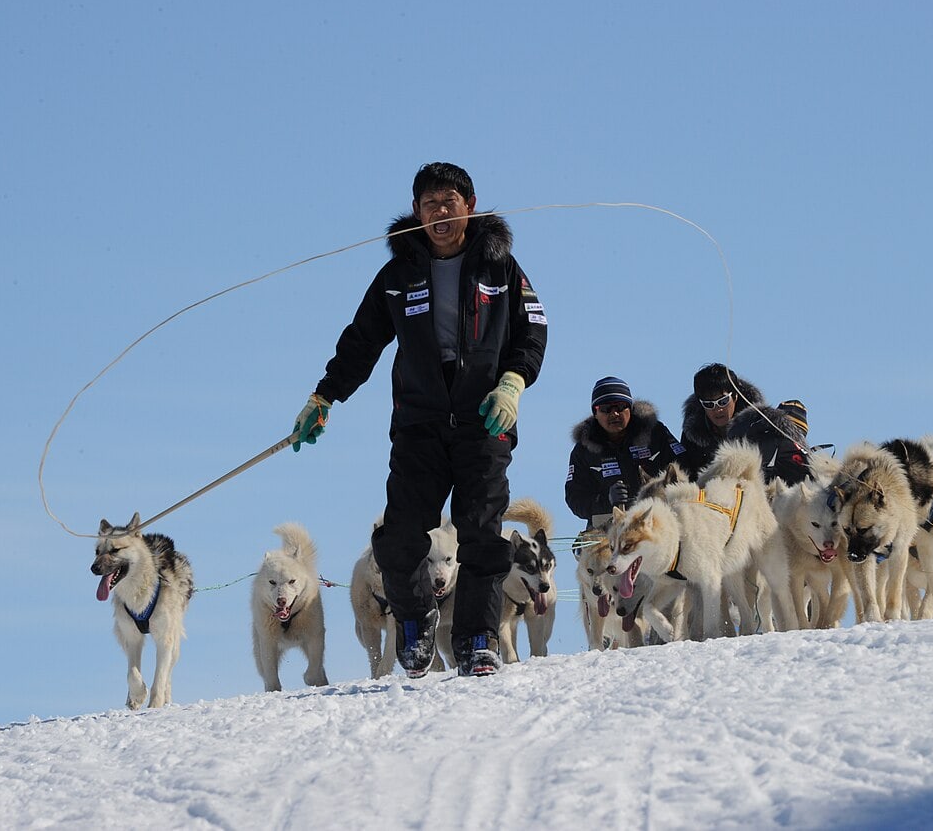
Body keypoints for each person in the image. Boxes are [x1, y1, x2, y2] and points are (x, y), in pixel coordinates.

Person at [288, 162, 547, 678]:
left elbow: (533, 330)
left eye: (448, 202)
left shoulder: (501, 266)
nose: (439, 213)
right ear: (416, 213)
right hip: (419, 426)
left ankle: (477, 638)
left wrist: (513, 383)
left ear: (468, 207)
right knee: (400, 536)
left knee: (480, 532)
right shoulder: (398, 275)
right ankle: (415, 621)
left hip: (484, 423)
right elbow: (361, 341)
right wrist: (324, 396)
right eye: (428, 204)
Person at [565, 376, 686, 528]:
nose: (614, 414)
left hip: (658, 522)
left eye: (620, 406)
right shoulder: (584, 450)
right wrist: (607, 501)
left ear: (630, 408)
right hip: (609, 529)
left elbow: (685, 467)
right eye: (605, 409)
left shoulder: (654, 433)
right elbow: (575, 499)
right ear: (595, 413)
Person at [678, 363, 766, 481]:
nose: (717, 409)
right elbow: (687, 475)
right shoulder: (692, 437)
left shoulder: (758, 428)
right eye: (709, 404)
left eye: (723, 401)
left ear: (735, 396)